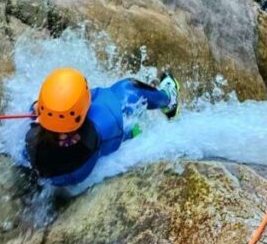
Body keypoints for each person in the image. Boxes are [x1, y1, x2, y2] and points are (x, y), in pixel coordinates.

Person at [24, 67, 179, 186]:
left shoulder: (32, 139)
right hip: (92, 152)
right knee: (129, 88)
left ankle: (132, 131)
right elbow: (117, 99)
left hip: (58, 174)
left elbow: (40, 117)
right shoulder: (103, 122)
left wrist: (40, 109)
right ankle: (169, 100)